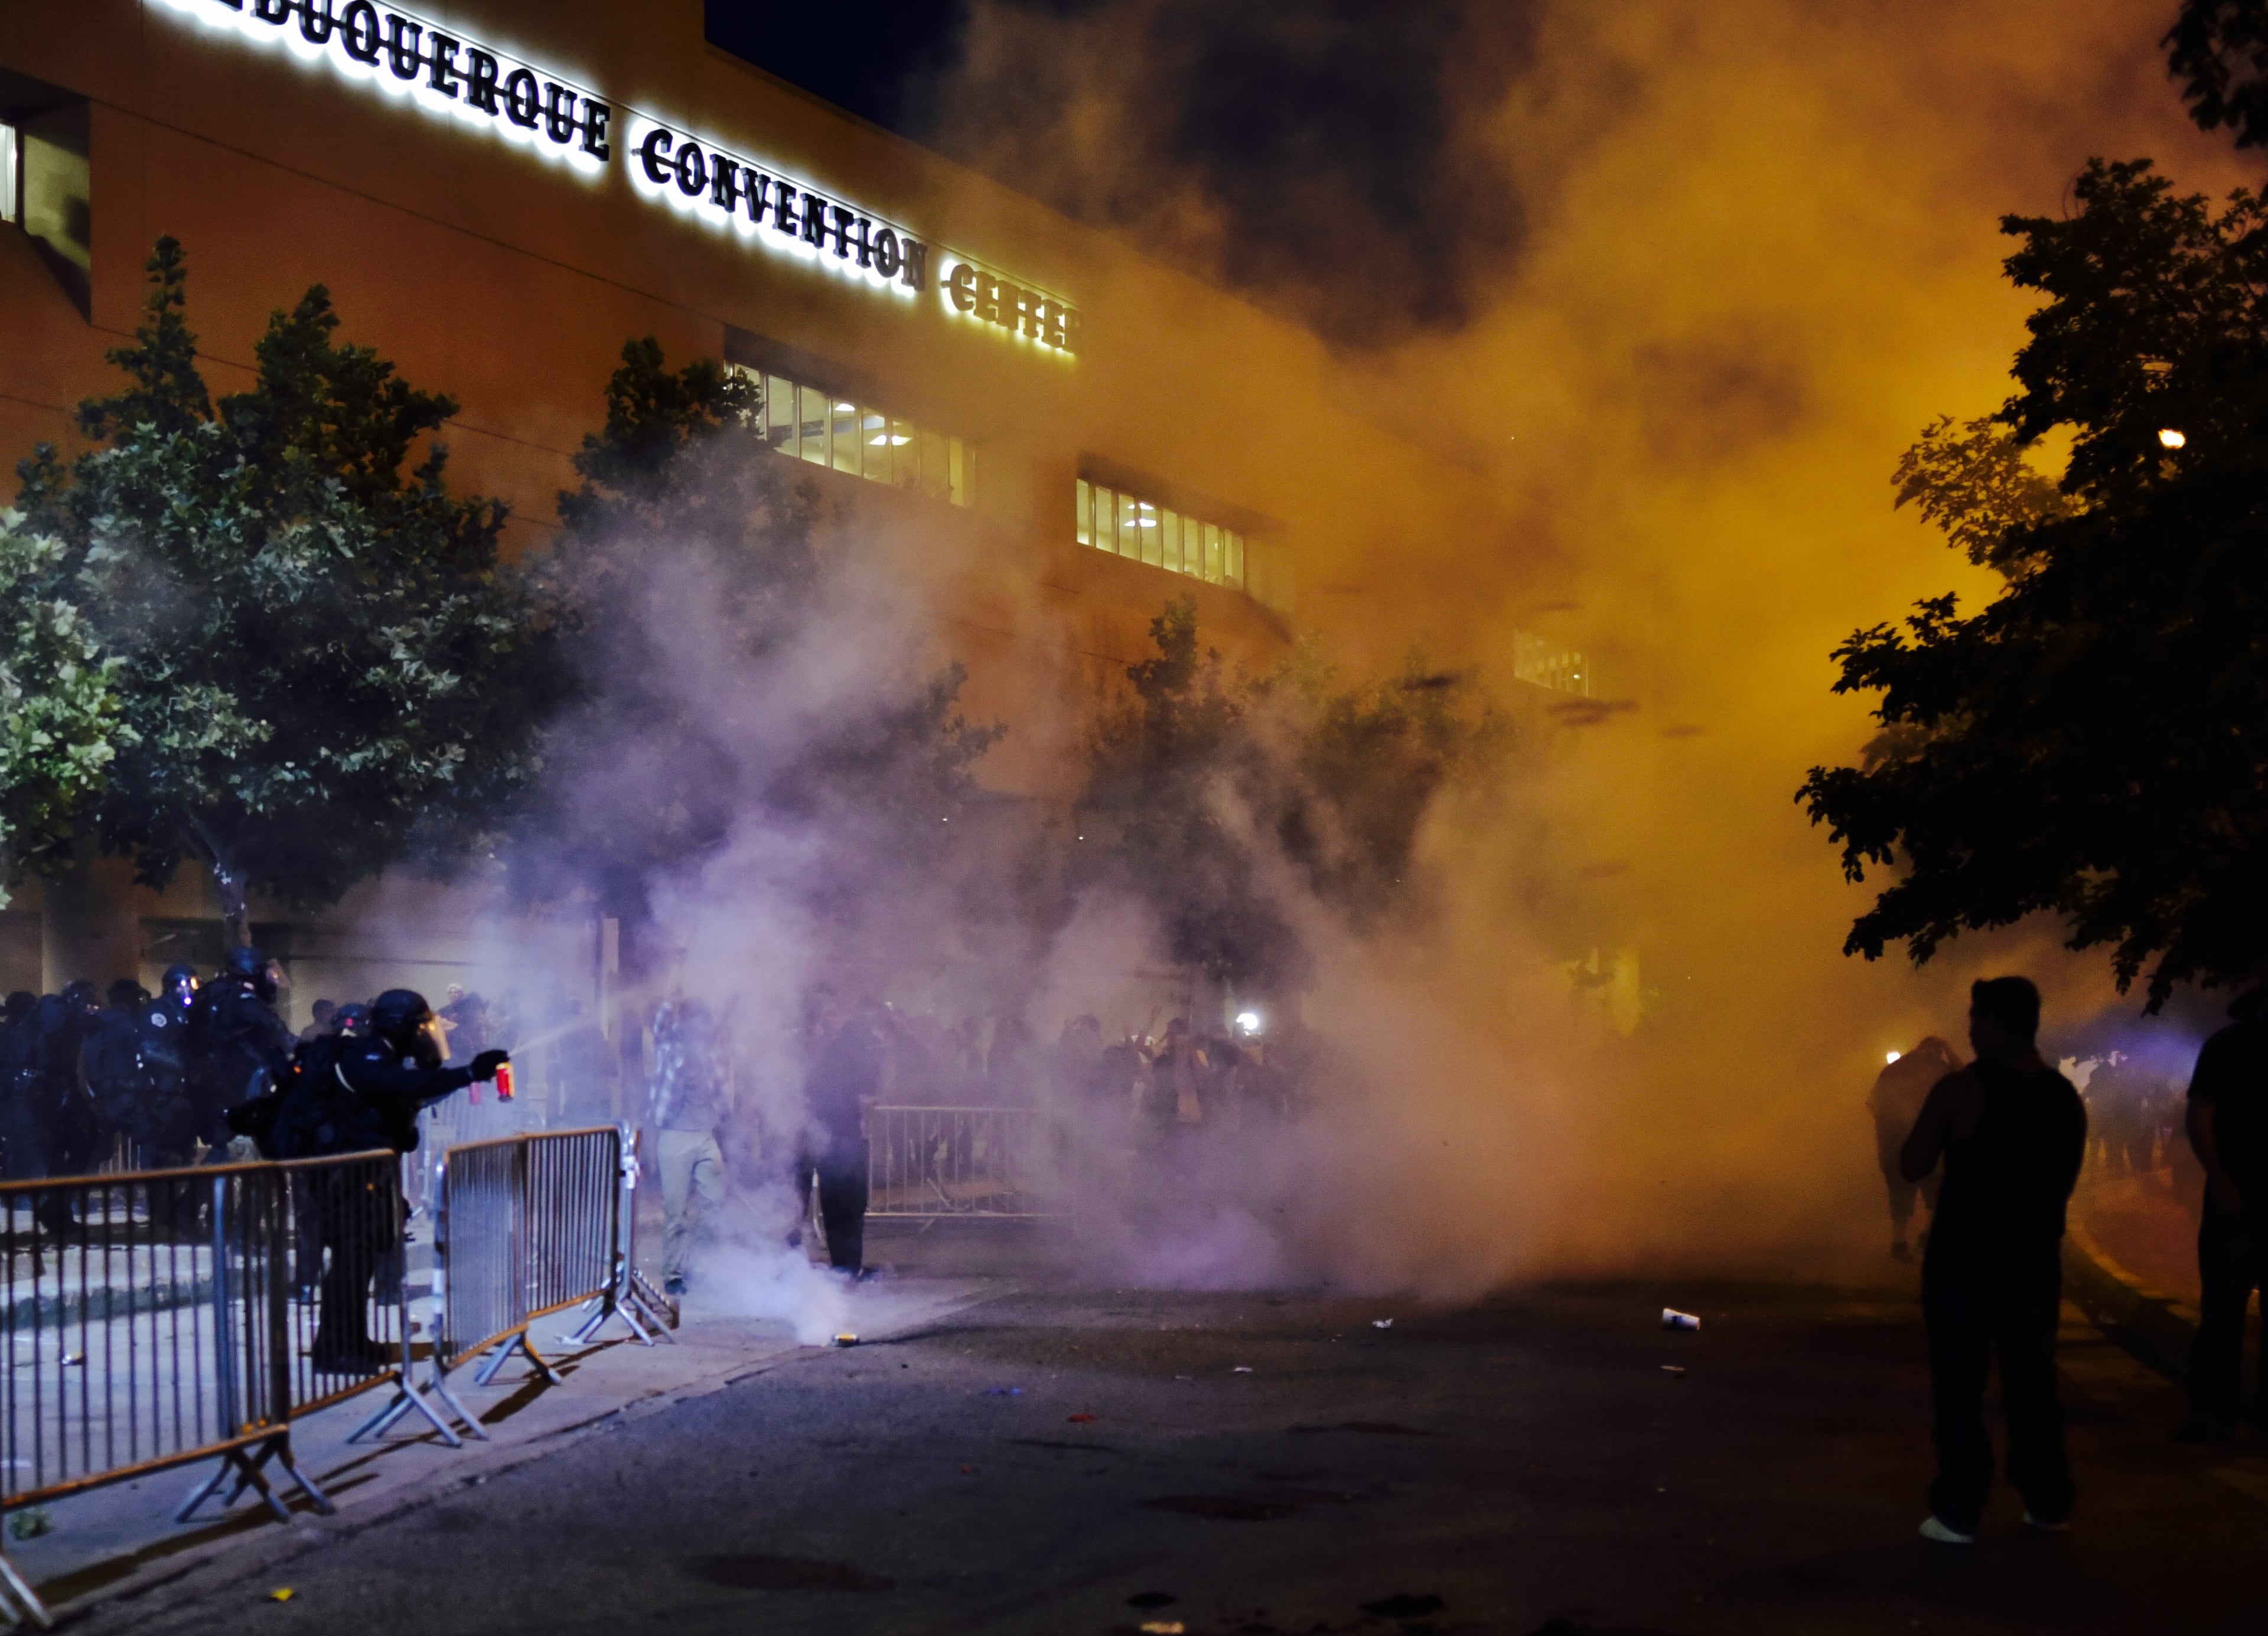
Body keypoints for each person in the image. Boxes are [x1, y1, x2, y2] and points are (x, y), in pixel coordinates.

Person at [1899, 976, 2086, 1544]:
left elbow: (1912, 1163)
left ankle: (1960, 1510)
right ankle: (2048, 1501)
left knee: (1960, 1387)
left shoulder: (1961, 1090)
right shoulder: (2063, 1098)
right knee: (2033, 1383)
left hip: (1964, 1265)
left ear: (1999, 1026)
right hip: (2032, 1264)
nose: (1970, 1029)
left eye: (1977, 1019)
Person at [269, 988, 506, 1372]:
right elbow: (406, 1087)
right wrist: (468, 1073)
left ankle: (352, 1340)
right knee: (349, 1262)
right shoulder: (369, 1056)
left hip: (361, 1172)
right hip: (342, 1175)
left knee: (359, 1262)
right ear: (400, 1026)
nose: (422, 1033)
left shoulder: (381, 1053)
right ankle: (334, 1350)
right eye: (417, 1026)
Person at [2172, 989, 2268, 1442]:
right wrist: (2220, 1176)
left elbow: (2201, 1114)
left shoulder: (2226, 1045)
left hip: (2235, 1193)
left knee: (2223, 1308)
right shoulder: (2228, 1047)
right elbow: (2200, 1113)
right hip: (2237, 1193)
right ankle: (2214, 1413)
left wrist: (2220, 1177)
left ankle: (2214, 1413)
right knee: (2223, 1309)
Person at [648, 996, 730, 1298]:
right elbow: (661, 1021)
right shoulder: (669, 1051)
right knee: (676, 1212)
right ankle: (673, 1273)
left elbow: (721, 1095)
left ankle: (694, 1264)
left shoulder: (712, 1056)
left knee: (715, 1204)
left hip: (705, 1135)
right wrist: (674, 981)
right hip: (675, 1137)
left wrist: (725, 1119)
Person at [803, 996, 888, 1277]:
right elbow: (867, 1096)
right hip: (829, 1134)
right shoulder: (853, 1045)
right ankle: (844, 1267)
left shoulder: (841, 1045)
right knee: (842, 1202)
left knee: (838, 1202)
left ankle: (844, 1267)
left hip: (828, 1133)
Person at [185, 946, 295, 1156]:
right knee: (241, 1150)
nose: (270, 979)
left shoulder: (215, 995)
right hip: (241, 1086)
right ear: (252, 971)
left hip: (213, 1085)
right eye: (266, 973)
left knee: (224, 1147)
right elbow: (279, 1034)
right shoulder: (245, 1001)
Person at [1869, 1037, 1962, 1261]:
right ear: (1937, 1052)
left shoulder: (1891, 1070)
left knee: (1900, 1193)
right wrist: (1950, 1048)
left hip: (1893, 1145)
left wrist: (1888, 1129)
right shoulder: (1939, 1068)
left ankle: (1899, 1245)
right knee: (1935, 1190)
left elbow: (1873, 1104)